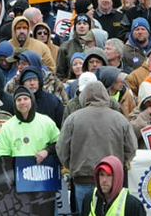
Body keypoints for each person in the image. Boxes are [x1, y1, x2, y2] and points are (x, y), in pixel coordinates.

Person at [57, 81, 137, 213]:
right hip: (113, 178)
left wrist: (73, 166)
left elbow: (62, 150)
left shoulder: (72, 119)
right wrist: (119, 165)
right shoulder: (119, 119)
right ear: (106, 96)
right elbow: (131, 148)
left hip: (83, 179)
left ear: (84, 97)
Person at [80, 155, 147, 216]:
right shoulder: (89, 199)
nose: (104, 180)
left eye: (109, 175)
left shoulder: (133, 206)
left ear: (118, 177)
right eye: (101, 174)